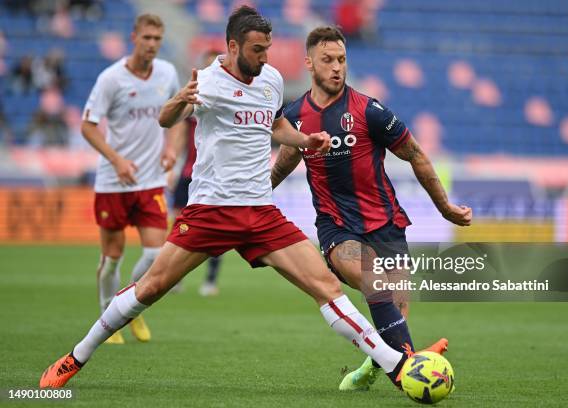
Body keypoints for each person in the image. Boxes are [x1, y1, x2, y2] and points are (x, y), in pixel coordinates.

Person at [39, 6, 422, 391]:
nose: (265, 58)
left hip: (261, 212)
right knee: (151, 287)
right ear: (233, 45)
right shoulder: (206, 82)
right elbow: (166, 120)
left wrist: (306, 140)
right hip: (211, 211)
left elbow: (276, 124)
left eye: (267, 49)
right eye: (257, 50)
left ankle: (395, 366)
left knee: (327, 286)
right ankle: (76, 357)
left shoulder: (270, 78)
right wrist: (178, 100)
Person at [271, 26, 472, 391]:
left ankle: (373, 366)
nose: (336, 67)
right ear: (309, 63)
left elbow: (415, 155)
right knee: (375, 284)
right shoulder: (296, 115)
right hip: (337, 229)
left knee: (396, 308)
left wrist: (444, 206)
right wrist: (255, 193)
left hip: (386, 224)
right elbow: (286, 160)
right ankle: (411, 372)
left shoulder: (370, 110)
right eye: (327, 60)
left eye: (342, 60)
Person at [78, 14, 182, 344]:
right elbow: (87, 126)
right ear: (133, 37)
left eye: (157, 39)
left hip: (150, 180)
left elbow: (179, 112)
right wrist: (117, 159)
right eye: (147, 38)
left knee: (155, 256)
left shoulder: (167, 73)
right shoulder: (111, 79)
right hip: (114, 182)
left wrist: (173, 148)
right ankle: (107, 310)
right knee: (112, 260)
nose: (152, 44)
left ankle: (127, 310)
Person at [171, 50, 224, 297]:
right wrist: (173, 163)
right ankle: (175, 276)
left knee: (217, 228)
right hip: (188, 171)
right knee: (179, 224)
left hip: (216, 175)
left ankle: (210, 280)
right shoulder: (196, 95)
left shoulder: (226, 99)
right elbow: (180, 133)